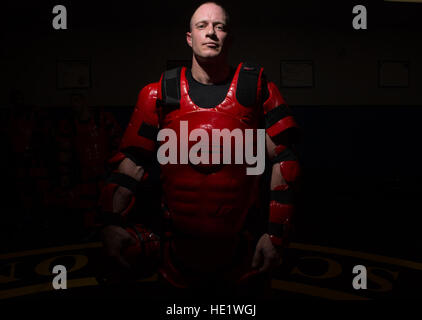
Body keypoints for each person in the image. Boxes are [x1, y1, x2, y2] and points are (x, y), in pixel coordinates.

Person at [97, 1, 300, 299]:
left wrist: (275, 236)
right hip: (176, 253)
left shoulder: (257, 89)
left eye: (220, 26)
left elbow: (285, 160)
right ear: (189, 38)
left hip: (242, 252)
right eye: (202, 26)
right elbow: (131, 163)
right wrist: (111, 224)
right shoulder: (157, 94)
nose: (211, 33)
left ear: (229, 37)